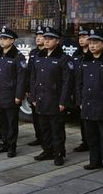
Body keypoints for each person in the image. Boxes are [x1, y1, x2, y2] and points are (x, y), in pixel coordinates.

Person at [76, 29, 103, 176]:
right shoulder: (85, 61)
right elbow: (79, 84)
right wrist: (80, 101)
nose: (92, 46)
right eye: (91, 43)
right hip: (88, 104)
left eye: (96, 43)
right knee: (91, 136)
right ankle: (94, 161)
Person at [29, 26, 74, 165]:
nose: (46, 41)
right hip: (41, 99)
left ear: (57, 41)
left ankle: (59, 153)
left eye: (50, 39)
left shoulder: (63, 58)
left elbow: (67, 82)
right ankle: (47, 150)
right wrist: (33, 98)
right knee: (44, 128)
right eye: (45, 38)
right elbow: (33, 79)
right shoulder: (38, 57)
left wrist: (63, 101)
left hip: (55, 100)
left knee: (57, 129)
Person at [0, 26, 27, 157]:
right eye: (1, 38)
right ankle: (4, 143)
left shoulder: (18, 56)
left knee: (11, 123)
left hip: (11, 95)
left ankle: (12, 146)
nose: (2, 41)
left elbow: (22, 78)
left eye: (5, 38)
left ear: (12, 40)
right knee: (2, 122)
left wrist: (19, 96)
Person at [71, 26, 91, 152]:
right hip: (79, 91)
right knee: (82, 119)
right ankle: (85, 142)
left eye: (84, 37)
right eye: (80, 37)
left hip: (91, 91)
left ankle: (93, 142)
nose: (81, 40)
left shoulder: (94, 55)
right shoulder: (76, 54)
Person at [25, 26, 45, 147]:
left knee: (44, 117)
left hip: (45, 89)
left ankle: (46, 139)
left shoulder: (47, 53)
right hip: (34, 89)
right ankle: (38, 137)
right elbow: (29, 72)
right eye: (37, 36)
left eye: (41, 36)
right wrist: (28, 88)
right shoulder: (33, 53)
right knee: (35, 115)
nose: (38, 38)